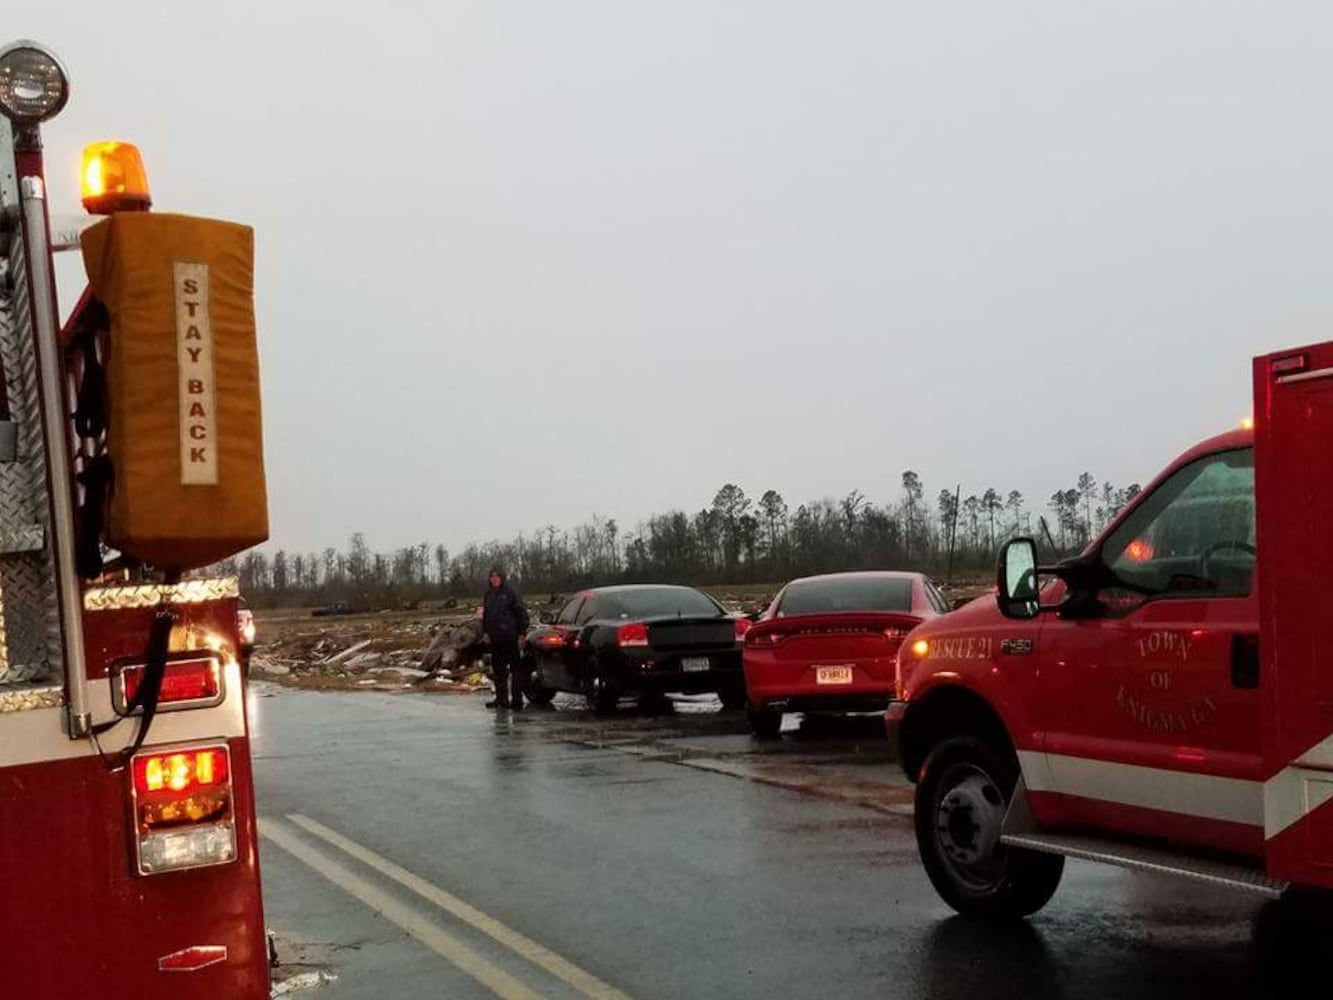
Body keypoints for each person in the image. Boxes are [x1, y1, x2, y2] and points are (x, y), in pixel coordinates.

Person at [481, 567, 530, 710]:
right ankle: (501, 699)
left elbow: (521, 614)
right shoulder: (489, 594)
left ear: (502, 578)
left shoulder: (510, 593)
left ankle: (517, 700)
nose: (494, 578)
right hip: (495, 638)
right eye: (492, 576)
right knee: (499, 671)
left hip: (511, 637)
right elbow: (486, 615)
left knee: (515, 670)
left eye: (497, 576)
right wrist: (485, 632)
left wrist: (521, 633)